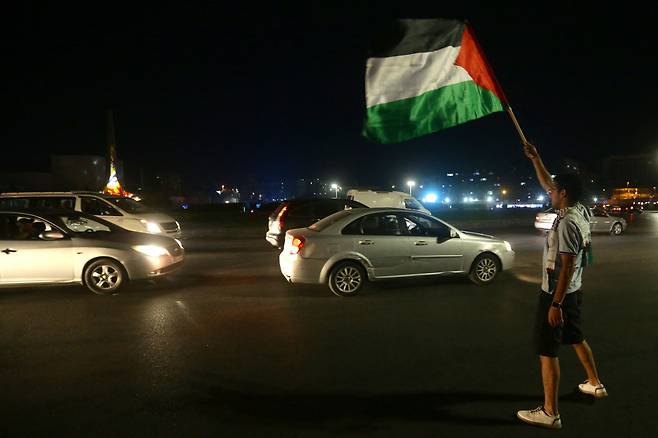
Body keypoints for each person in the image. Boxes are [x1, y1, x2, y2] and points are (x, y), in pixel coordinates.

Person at [516, 142, 607, 430]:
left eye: (554, 191)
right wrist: (536, 159)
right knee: (576, 337)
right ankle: (595, 383)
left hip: (558, 295)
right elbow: (549, 183)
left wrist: (555, 304)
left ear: (563, 194)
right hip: (574, 291)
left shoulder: (567, 223)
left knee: (547, 350)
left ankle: (550, 412)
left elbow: (566, 265)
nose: (549, 192)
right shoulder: (581, 210)